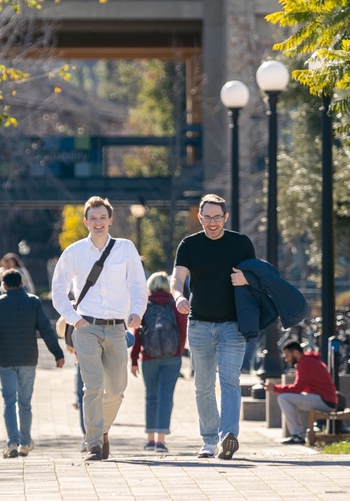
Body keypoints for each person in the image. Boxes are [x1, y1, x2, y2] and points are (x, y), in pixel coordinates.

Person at [51, 196, 147, 461]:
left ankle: (101, 429)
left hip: (117, 328)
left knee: (117, 390)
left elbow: (138, 285)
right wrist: (74, 319)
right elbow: (57, 289)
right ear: (85, 222)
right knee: (92, 387)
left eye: (102, 218)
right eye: (93, 218)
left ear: (110, 220)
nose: (98, 223)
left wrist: (137, 311)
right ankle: (93, 443)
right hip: (87, 327)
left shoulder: (125, 249)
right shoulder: (74, 252)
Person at [170, 193, 255, 459]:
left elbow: (257, 276)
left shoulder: (241, 243)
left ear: (225, 217)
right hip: (199, 325)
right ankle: (208, 440)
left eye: (217, 217)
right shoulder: (189, 245)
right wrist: (179, 296)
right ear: (199, 218)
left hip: (233, 325)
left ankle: (227, 436)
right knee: (203, 386)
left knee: (229, 380)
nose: (212, 222)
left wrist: (247, 279)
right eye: (207, 217)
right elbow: (177, 278)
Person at [0, 269, 65, 458]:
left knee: (9, 401)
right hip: (28, 358)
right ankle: (26, 442)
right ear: (21, 284)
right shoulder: (33, 302)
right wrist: (57, 353)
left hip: (5, 359)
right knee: (25, 402)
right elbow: (45, 330)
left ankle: (12, 442)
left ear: (3, 286)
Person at [130, 272, 188, 453]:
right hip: (172, 358)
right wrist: (178, 352)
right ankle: (161, 442)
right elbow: (183, 331)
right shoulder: (174, 305)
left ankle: (150, 440)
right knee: (166, 397)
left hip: (149, 358)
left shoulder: (145, 306)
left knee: (151, 397)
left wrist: (134, 359)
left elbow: (137, 334)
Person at [267, 341, 338, 445]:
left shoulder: (306, 362)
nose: (286, 359)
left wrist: (275, 388)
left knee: (283, 398)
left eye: (287, 355)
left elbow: (297, 389)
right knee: (285, 397)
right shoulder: (307, 361)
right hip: (324, 399)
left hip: (324, 401)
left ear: (295, 352)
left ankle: (297, 436)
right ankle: (297, 435)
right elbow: (300, 387)